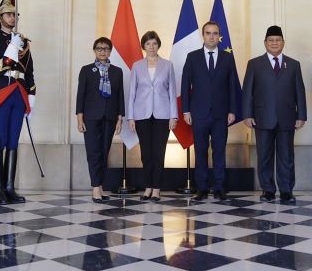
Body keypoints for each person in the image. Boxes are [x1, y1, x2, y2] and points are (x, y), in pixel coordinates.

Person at [242, 25, 307, 204]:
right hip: (262, 117)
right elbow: (247, 91)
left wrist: (301, 115)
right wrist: (247, 114)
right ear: (265, 43)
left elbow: (299, 91)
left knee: (287, 157)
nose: (274, 43)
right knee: (264, 156)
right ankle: (268, 190)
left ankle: (286, 190)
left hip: (287, 118)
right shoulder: (254, 64)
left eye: (278, 40)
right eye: (271, 40)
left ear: (283, 42)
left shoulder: (293, 65)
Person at [0, 0, 36, 205]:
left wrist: (32, 96)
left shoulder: (24, 41)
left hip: (19, 93)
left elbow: (29, 71)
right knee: (0, 139)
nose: (12, 18)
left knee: (13, 140)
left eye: (15, 14)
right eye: (8, 14)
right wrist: (12, 47)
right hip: (2, 91)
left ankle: (9, 187)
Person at [181, 21, 240, 201]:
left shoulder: (227, 58)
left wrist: (232, 110)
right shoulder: (192, 57)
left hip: (221, 114)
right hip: (198, 113)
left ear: (219, 36)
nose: (212, 36)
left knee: (219, 151)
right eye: (208, 33)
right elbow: (185, 85)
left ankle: (219, 187)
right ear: (203, 35)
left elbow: (232, 86)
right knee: (200, 151)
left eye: (215, 33)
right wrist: (186, 111)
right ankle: (202, 188)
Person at [127, 31, 178, 201]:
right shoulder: (137, 66)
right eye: (148, 44)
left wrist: (173, 116)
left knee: (159, 153)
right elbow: (132, 93)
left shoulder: (167, 65)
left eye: (154, 43)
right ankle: (148, 187)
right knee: (146, 154)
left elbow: (172, 92)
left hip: (163, 115)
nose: (151, 47)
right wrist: (130, 117)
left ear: (158, 45)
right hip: (142, 115)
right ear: (143, 46)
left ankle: (156, 189)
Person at [75, 37, 124, 203]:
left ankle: (100, 186)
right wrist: (79, 118)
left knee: (104, 152)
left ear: (110, 51)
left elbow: (120, 96)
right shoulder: (86, 70)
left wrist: (120, 118)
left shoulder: (117, 71)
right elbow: (80, 95)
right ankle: (95, 187)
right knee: (93, 152)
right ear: (94, 50)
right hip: (90, 117)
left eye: (106, 48)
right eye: (99, 48)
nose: (102, 51)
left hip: (110, 117)